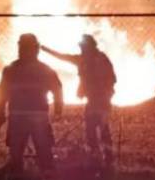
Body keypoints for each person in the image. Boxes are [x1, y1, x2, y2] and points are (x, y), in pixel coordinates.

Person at [40, 34, 117, 167]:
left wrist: (100, 91)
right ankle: (98, 155)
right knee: (93, 128)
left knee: (100, 127)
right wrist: (45, 49)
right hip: (95, 99)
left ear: (90, 47)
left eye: (83, 47)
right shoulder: (84, 59)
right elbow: (62, 57)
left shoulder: (98, 59)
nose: (82, 49)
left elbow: (112, 78)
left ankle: (105, 156)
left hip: (101, 99)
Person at [0, 33, 63, 178]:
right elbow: (57, 88)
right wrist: (58, 108)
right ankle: (47, 176)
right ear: (36, 49)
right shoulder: (45, 70)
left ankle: (16, 177)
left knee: (16, 149)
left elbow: (2, 92)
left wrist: (0, 110)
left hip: (17, 114)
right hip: (38, 114)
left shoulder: (11, 69)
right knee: (43, 147)